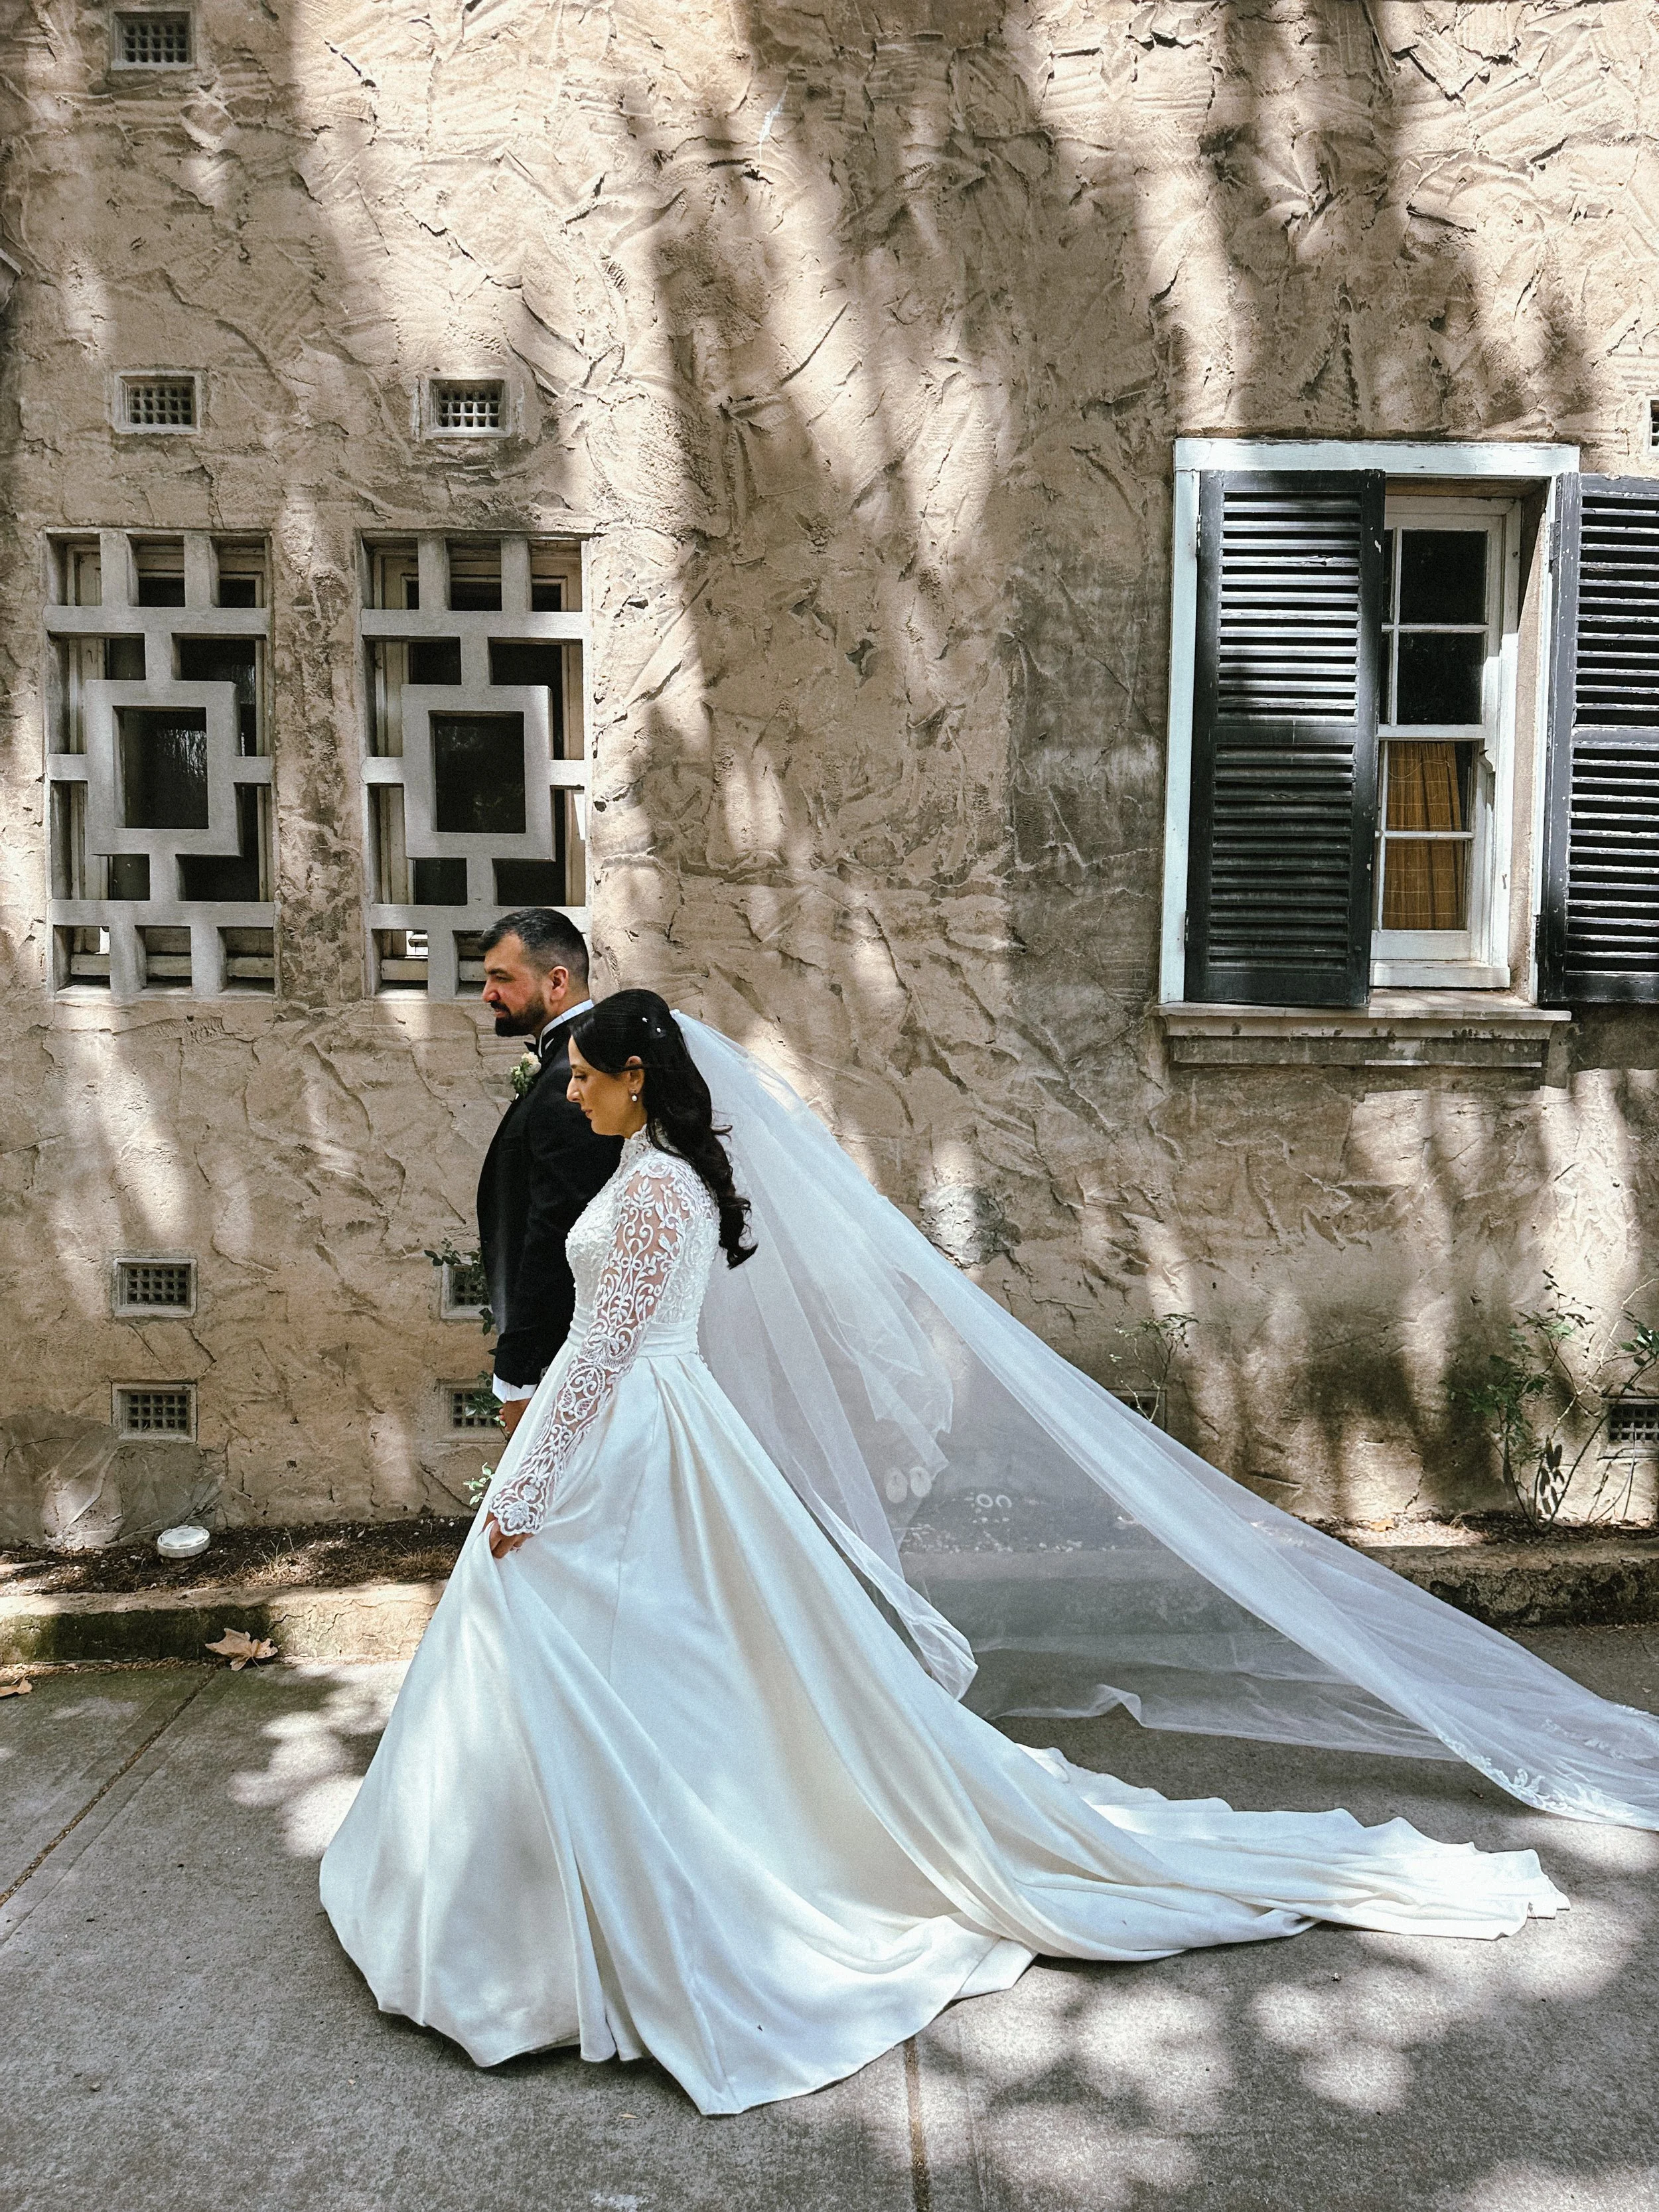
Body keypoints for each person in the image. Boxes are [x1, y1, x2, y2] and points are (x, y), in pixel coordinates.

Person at [321, 993, 1638, 2118]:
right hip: (631, 1434)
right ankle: (533, 1895)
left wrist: (523, 1484)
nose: (564, 1085)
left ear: (631, 1077)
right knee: (626, 1658)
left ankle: (587, 1915)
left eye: (579, 1069)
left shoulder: (656, 1187)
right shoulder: (650, 1177)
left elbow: (607, 1352)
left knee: (618, 1656)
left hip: (626, 1437)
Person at [474, 910, 621, 1435]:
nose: (488, 993)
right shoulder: (568, 1063)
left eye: (502, 978)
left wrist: (518, 1374)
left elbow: (556, 1234)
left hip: (562, 1360)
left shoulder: (572, 1084)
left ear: (557, 981)